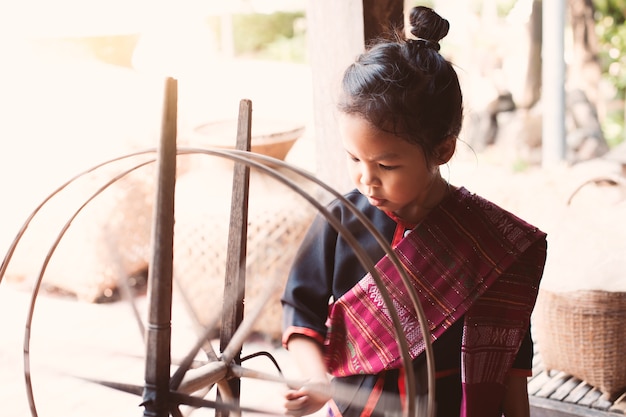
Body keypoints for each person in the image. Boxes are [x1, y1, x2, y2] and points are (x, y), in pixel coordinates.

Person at [281, 6, 547, 417]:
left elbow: (509, 356)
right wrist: (317, 379)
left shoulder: (489, 244)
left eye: (386, 166)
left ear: (442, 149)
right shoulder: (339, 223)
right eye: (354, 159)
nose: (366, 180)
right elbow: (302, 311)